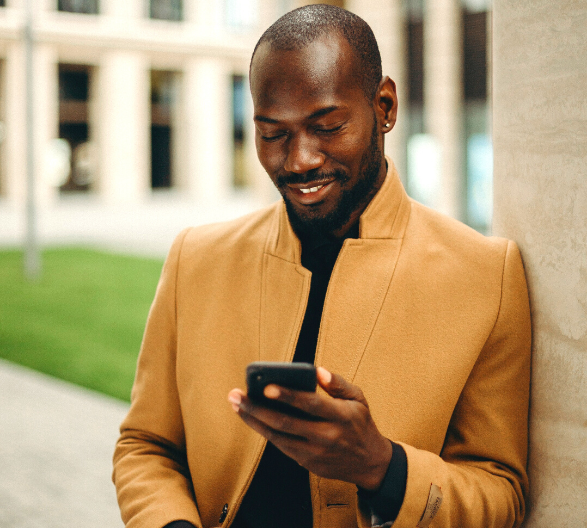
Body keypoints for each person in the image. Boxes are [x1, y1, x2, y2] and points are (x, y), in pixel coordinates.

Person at [113, 5, 531, 528]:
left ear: (384, 106)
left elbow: (502, 493)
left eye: (327, 126)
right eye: (272, 134)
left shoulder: (487, 276)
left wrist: (382, 465)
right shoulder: (195, 259)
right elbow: (146, 445)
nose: (299, 160)